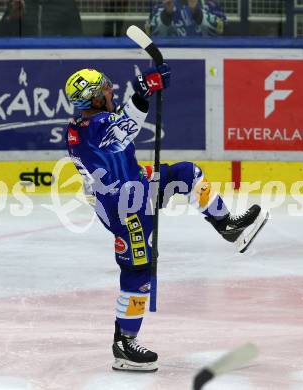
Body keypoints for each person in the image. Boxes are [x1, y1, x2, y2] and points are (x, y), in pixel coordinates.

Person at [64, 64, 268, 372]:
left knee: (186, 174)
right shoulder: (96, 127)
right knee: (138, 271)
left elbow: (118, 125)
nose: (111, 91)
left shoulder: (86, 123)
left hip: (136, 189)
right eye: (105, 89)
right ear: (92, 99)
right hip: (125, 209)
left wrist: (143, 93)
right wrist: (143, 92)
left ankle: (228, 227)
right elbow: (126, 128)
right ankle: (124, 343)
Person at [0, 0, 82, 37]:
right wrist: (11, 18)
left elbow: (77, 41)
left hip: (56, 61)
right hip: (23, 62)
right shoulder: (18, 3)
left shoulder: (67, 4)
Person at [149, 0, 226, 37]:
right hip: (170, 55)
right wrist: (167, 14)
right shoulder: (163, 6)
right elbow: (150, 32)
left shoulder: (210, 5)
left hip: (206, 54)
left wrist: (196, 12)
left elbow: (221, 30)